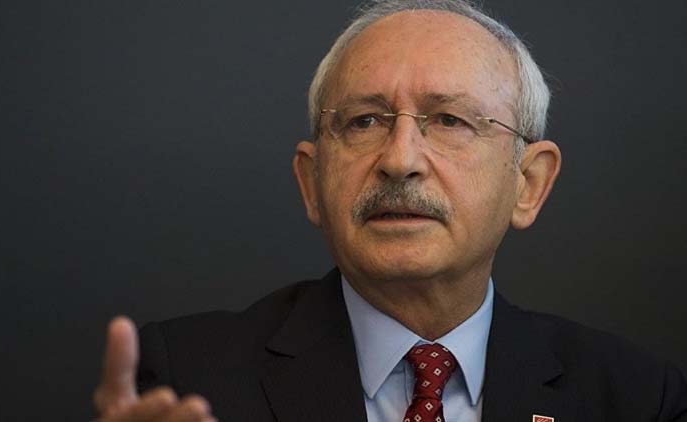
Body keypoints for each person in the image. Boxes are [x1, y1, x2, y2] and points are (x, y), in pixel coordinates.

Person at [92, 0, 687, 421]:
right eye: (364, 121)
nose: (400, 159)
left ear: (528, 183)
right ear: (311, 182)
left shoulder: (635, 397)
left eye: (449, 120)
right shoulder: (185, 379)